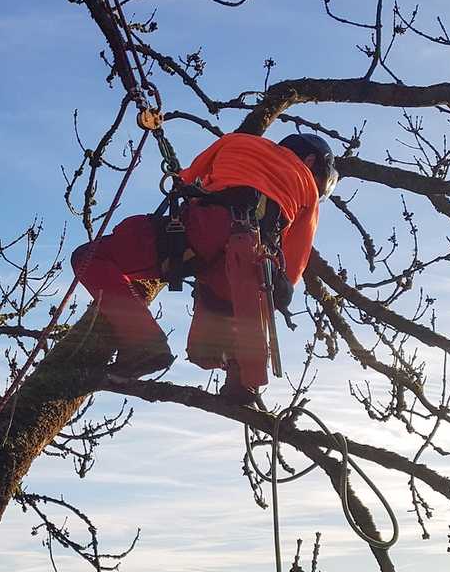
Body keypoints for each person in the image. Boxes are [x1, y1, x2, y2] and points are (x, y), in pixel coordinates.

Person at [70, 132, 338, 403]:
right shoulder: (307, 188)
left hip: (202, 233)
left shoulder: (238, 141)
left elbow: (187, 178)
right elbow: (294, 261)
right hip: (250, 260)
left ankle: (142, 341)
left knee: (88, 257)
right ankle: (242, 382)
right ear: (310, 160)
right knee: (228, 322)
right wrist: (281, 288)